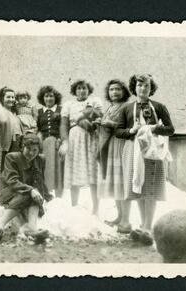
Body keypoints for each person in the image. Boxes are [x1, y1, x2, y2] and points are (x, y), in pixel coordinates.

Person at [115, 74, 174, 245]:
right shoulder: (126, 108)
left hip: (152, 150)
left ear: (151, 88)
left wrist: (155, 128)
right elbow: (118, 132)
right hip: (133, 150)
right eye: (139, 85)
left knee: (151, 188)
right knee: (138, 187)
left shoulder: (159, 107)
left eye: (146, 86)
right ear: (134, 88)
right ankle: (143, 225)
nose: (143, 89)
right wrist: (132, 131)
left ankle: (148, 227)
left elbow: (170, 129)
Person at [0, 134, 53, 242]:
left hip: (26, 194)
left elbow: (40, 179)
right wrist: (31, 190)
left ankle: (32, 228)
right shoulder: (12, 157)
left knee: (35, 194)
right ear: (22, 147)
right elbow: (12, 181)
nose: (31, 153)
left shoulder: (40, 160)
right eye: (28, 149)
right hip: (7, 192)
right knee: (30, 192)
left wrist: (45, 195)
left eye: (35, 150)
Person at [59, 79, 102, 215]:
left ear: (89, 90)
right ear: (74, 90)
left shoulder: (95, 102)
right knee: (75, 171)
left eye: (84, 88)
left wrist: (89, 117)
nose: (81, 91)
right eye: (78, 88)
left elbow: (100, 117)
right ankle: (74, 206)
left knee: (93, 171)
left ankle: (95, 208)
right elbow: (64, 125)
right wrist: (65, 141)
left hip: (91, 136)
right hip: (75, 137)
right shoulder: (68, 104)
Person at [96, 79, 131, 233]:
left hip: (121, 145)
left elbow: (128, 126)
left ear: (124, 92)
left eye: (118, 89)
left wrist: (108, 123)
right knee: (116, 182)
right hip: (111, 146)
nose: (114, 92)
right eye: (111, 89)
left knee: (122, 182)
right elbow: (107, 123)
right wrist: (101, 122)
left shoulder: (127, 107)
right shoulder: (110, 107)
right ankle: (119, 216)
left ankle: (126, 221)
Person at [36, 85, 64, 197]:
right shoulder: (38, 112)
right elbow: (36, 127)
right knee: (45, 168)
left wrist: (61, 140)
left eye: (51, 96)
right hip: (43, 144)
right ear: (42, 98)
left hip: (57, 143)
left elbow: (64, 127)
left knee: (58, 169)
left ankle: (59, 195)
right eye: (46, 96)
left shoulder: (61, 110)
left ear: (55, 97)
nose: (49, 99)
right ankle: (46, 193)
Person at [0, 87, 24, 172]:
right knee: (5, 169)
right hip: (6, 145)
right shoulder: (0, 112)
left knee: (13, 169)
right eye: (8, 97)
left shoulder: (14, 114)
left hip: (16, 144)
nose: (11, 99)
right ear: (2, 98)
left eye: (13, 97)